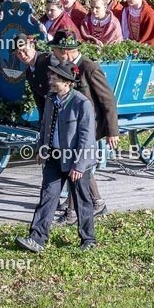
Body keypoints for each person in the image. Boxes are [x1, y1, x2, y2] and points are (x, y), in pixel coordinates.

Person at [15, 60, 98, 254]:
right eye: (51, 77)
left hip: (75, 159)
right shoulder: (51, 100)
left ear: (68, 83)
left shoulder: (82, 103)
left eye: (55, 78)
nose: (51, 81)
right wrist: (41, 148)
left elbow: (87, 138)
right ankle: (36, 239)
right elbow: (45, 126)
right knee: (48, 196)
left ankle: (88, 239)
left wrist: (79, 165)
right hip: (54, 156)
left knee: (81, 200)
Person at [48, 30, 116, 221]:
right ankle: (98, 202)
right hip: (69, 127)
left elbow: (108, 100)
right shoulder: (64, 68)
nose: (53, 53)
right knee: (80, 166)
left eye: (55, 50)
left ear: (65, 51)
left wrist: (112, 131)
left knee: (75, 166)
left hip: (87, 127)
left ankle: (71, 213)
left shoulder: (89, 68)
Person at [13, 32, 52, 115]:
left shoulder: (48, 60)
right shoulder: (29, 72)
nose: (23, 55)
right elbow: (39, 100)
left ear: (32, 46)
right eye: (19, 53)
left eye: (24, 50)